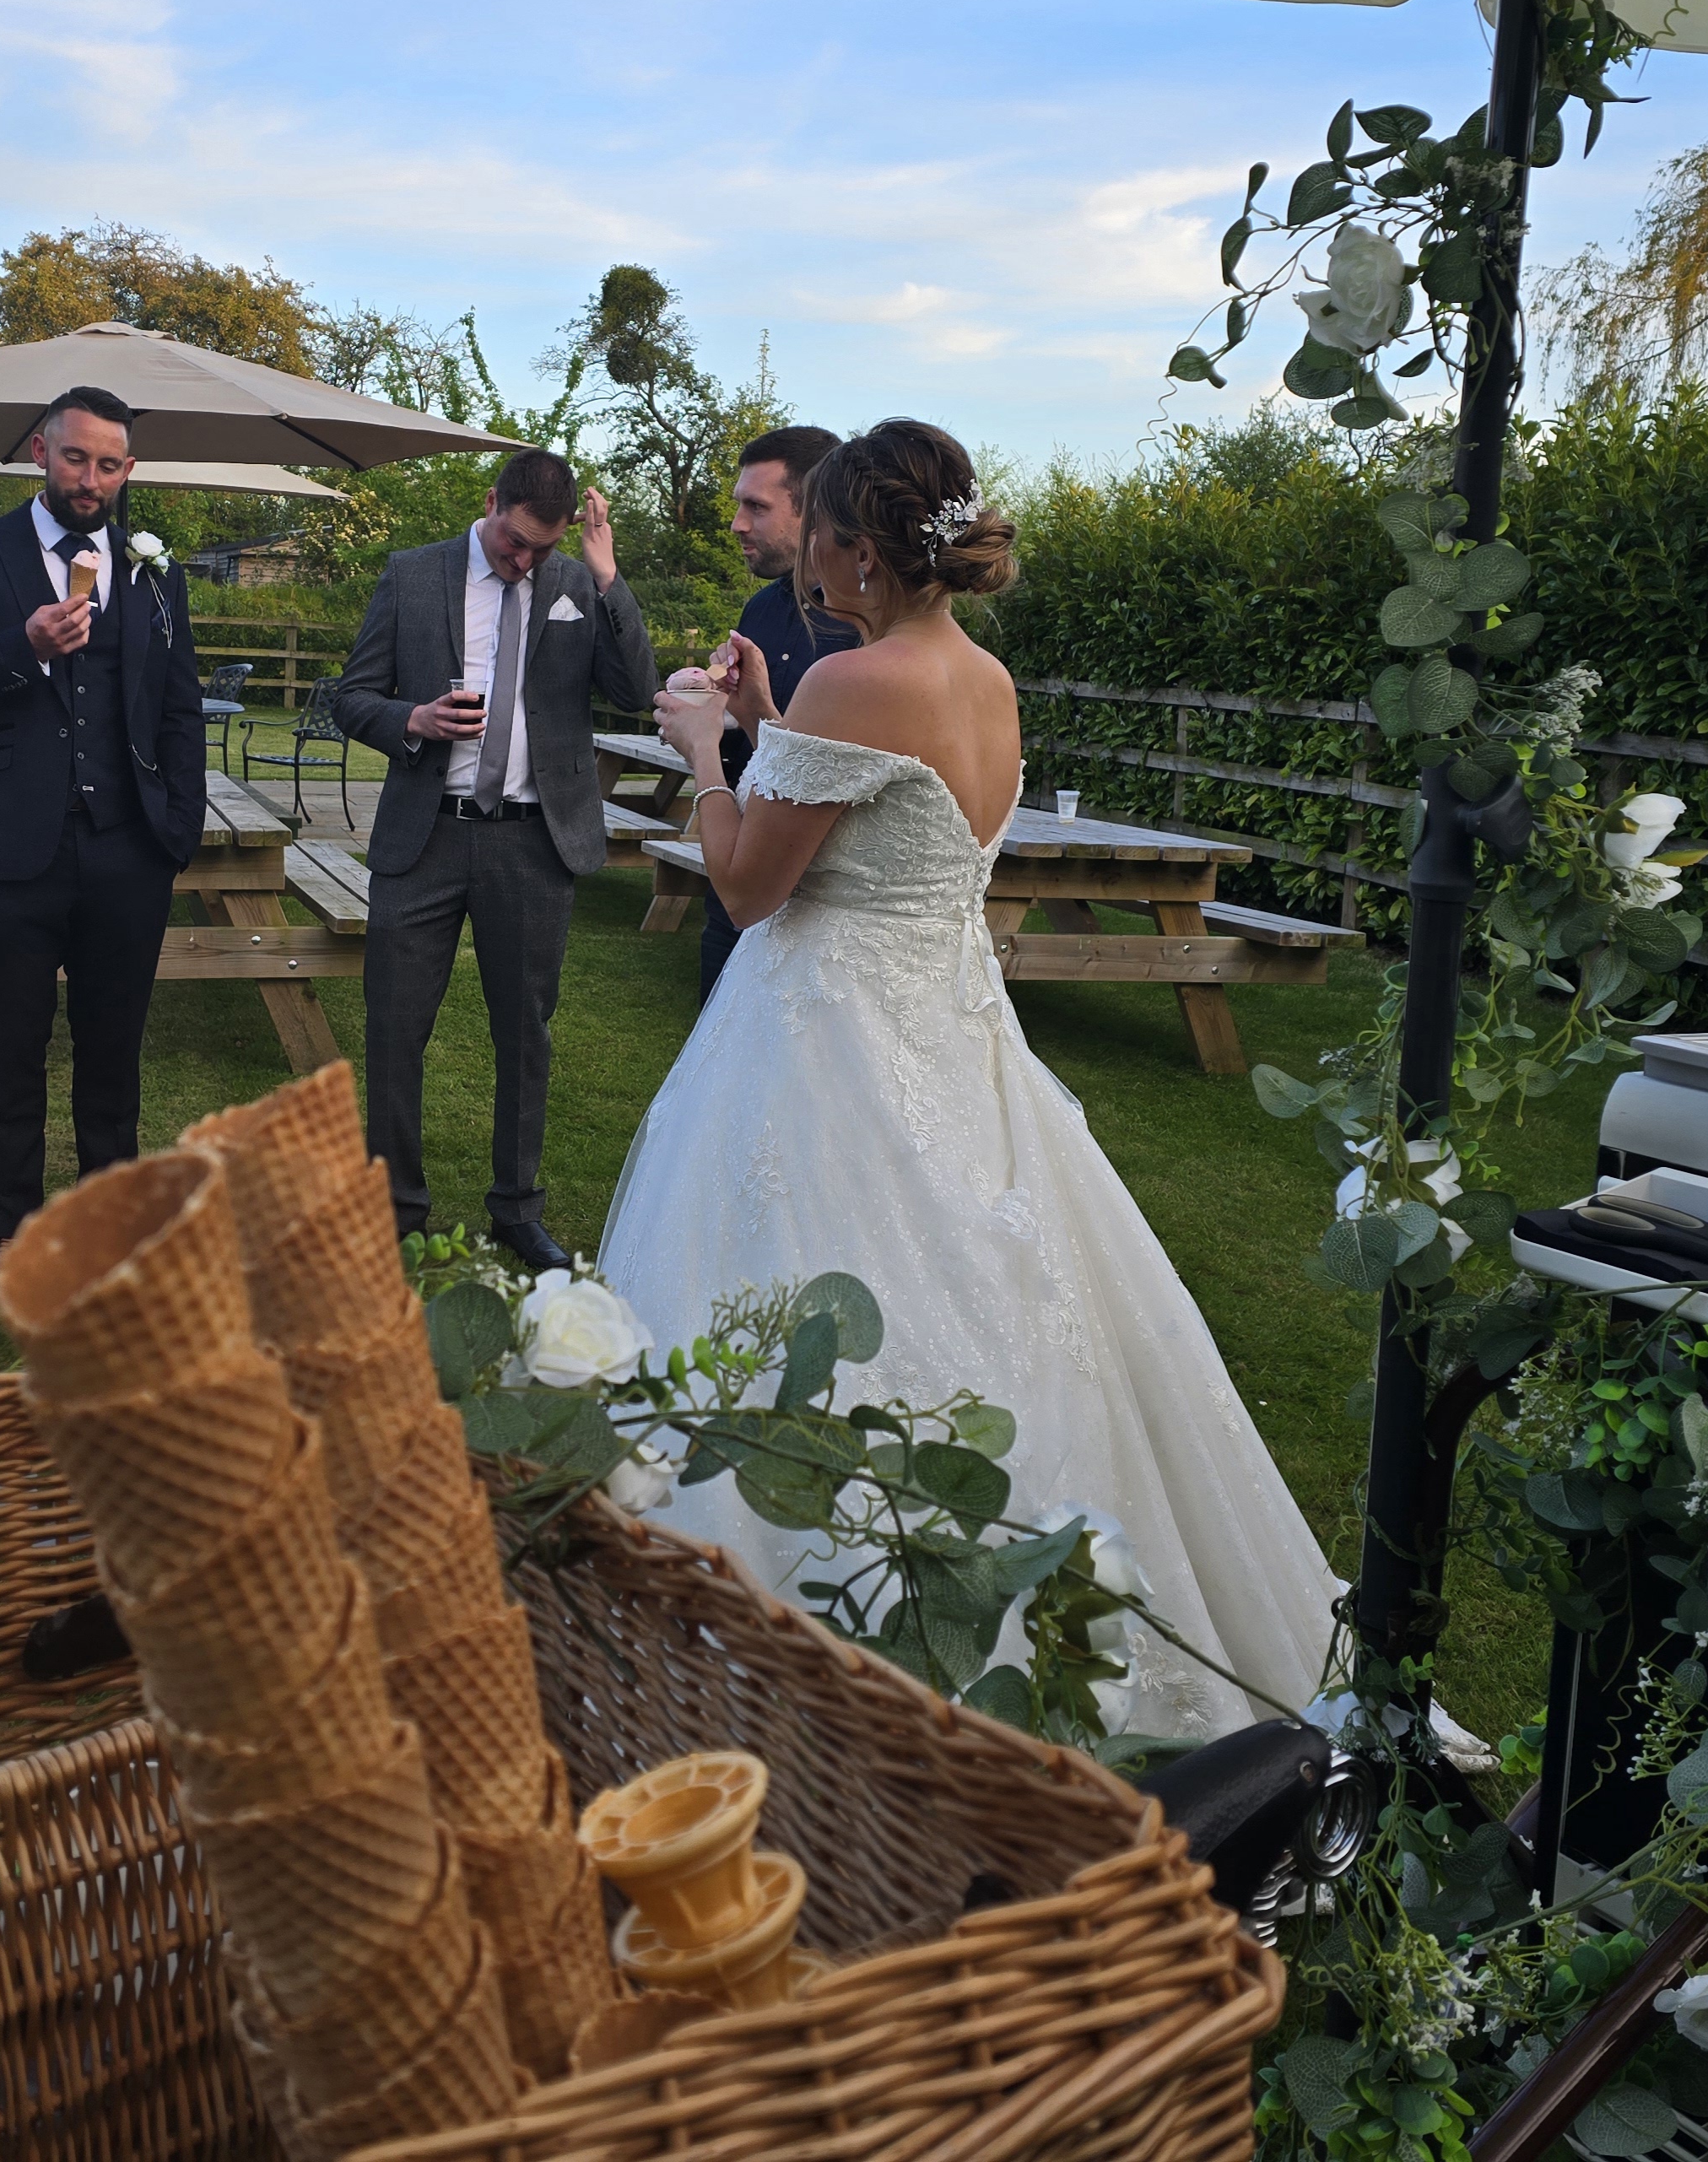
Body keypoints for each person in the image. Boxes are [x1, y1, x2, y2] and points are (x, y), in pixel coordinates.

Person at [598, 420, 1338, 1738]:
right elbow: (875, 813)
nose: (804, 550)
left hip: (828, 1043)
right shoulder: (982, 680)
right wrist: (775, 718)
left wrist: (705, 747)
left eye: (816, 527)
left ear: (853, 546)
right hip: (950, 1031)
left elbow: (753, 887)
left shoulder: (857, 684)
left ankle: (817, 1644)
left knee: (802, 1293)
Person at [338, 449, 658, 1268]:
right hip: (425, 836)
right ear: (491, 503)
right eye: (515, 543)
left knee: (525, 1034)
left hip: (532, 839)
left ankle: (517, 1209)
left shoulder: (575, 583)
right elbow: (349, 696)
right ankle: (396, 1207)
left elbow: (634, 689)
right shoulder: (411, 576)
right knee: (395, 1028)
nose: (524, 562)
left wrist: (606, 574)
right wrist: (412, 719)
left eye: (540, 550)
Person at [0, 387, 203, 1299]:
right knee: (14, 1053)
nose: (90, 479)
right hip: (8, 852)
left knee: (113, 1053)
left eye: (109, 464)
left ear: (129, 472)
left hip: (127, 852)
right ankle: (13, 1240)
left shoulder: (154, 570)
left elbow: (179, 707)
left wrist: (173, 831)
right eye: (75, 459)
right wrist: (19, 647)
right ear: (39, 451)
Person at [695, 425, 859, 1006]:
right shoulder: (760, 609)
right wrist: (708, 709)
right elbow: (753, 751)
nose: (738, 523)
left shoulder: (870, 633)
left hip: (819, 920)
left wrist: (747, 720)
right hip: (730, 910)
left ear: (814, 511)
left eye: (755, 507)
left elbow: (841, 775)